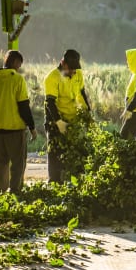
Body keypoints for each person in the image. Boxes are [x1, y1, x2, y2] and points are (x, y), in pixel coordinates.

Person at [0, 50, 38, 194]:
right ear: (15, 63)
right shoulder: (17, 80)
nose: (19, 68)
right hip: (15, 131)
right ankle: (15, 192)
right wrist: (32, 127)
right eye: (19, 64)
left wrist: (0, 109)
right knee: (18, 164)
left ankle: (1, 192)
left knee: (1, 164)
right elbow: (24, 106)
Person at [43, 49, 93, 183]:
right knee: (55, 153)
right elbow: (50, 102)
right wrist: (59, 122)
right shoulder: (52, 78)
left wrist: (88, 113)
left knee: (76, 152)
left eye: (75, 69)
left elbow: (81, 94)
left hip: (73, 119)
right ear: (63, 63)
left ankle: (74, 182)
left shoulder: (78, 74)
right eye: (71, 68)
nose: (74, 71)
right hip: (55, 119)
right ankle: (54, 183)